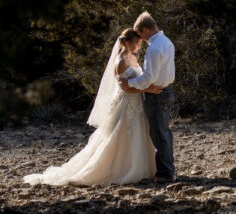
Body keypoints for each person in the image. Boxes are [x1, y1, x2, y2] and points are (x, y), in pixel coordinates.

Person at [23, 28, 162, 186]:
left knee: (139, 133)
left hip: (137, 103)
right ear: (127, 42)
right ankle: (119, 169)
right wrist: (147, 89)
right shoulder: (121, 62)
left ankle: (141, 168)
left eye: (140, 43)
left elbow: (137, 80)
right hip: (127, 103)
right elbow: (126, 88)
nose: (139, 46)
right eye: (137, 43)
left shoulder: (133, 58)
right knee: (122, 135)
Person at [120, 12, 175, 183]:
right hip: (165, 90)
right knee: (164, 132)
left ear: (145, 29)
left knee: (159, 133)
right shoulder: (166, 42)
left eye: (140, 34)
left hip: (156, 94)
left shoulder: (154, 48)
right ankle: (167, 169)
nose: (140, 38)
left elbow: (148, 78)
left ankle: (165, 173)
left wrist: (130, 84)